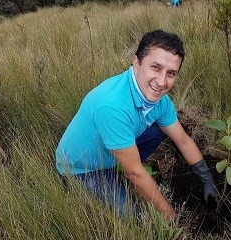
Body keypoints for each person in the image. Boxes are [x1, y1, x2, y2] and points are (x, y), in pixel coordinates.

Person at [56, 29, 219, 221]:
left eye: (171, 73)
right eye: (156, 68)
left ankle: (123, 163)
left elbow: (182, 140)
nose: (161, 81)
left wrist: (207, 180)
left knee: (160, 130)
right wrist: (171, 217)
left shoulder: (160, 102)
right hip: (82, 168)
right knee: (134, 217)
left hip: (110, 152)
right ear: (136, 62)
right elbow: (134, 173)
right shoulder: (112, 105)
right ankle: (118, 170)